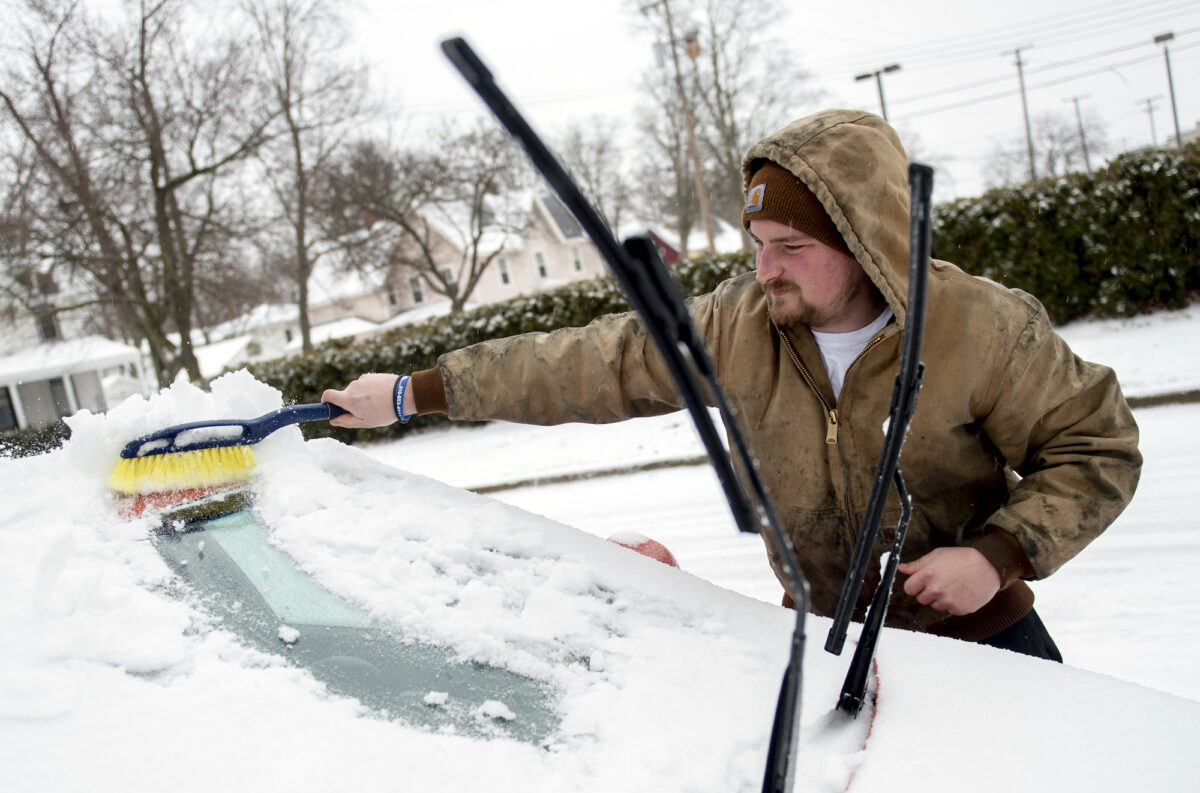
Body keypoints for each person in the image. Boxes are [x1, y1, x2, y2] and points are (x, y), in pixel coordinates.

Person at [322, 109, 1141, 661]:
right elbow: (587, 363)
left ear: (867, 240)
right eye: (756, 241)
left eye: (789, 245)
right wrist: (411, 392)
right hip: (821, 656)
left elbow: (1097, 448)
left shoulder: (982, 328)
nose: (763, 269)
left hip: (987, 645)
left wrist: (997, 556)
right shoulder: (738, 326)